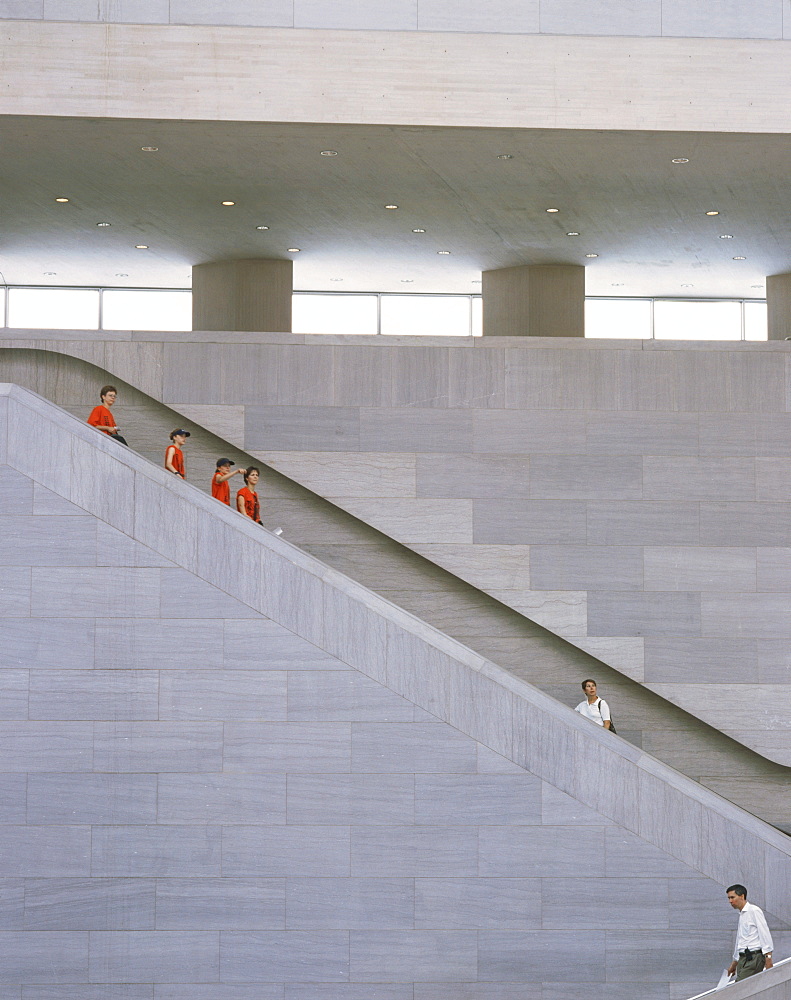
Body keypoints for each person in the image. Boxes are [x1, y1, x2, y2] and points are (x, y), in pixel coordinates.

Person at [726, 884, 773, 981]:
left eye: (732, 897)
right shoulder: (742, 914)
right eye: (729, 898)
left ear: (742, 896)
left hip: (754, 957)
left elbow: (764, 933)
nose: (730, 901)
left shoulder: (754, 911)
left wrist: (768, 958)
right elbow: (740, 940)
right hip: (743, 959)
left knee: (739, 988)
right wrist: (734, 964)